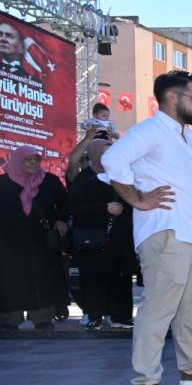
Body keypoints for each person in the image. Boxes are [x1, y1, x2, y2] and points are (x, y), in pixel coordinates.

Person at [99, 71, 192, 385]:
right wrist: (137, 198)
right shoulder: (150, 130)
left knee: (189, 310)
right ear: (172, 98)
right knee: (158, 310)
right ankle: (144, 383)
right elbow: (111, 160)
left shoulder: (187, 138)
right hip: (164, 233)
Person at [67, 137, 136, 329]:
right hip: (94, 239)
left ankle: (120, 317)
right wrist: (104, 207)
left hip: (120, 237)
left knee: (121, 277)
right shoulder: (84, 178)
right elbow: (74, 207)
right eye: (105, 153)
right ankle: (94, 316)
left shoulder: (121, 176)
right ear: (95, 155)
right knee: (94, 278)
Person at [0, 145, 69, 330]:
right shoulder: (3, 183)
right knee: (12, 278)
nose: (33, 163)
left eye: (36, 159)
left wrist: (61, 219)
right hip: (9, 240)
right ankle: (10, 319)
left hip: (42, 239)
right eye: (28, 160)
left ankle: (42, 318)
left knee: (43, 276)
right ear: (17, 161)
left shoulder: (49, 181)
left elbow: (64, 203)